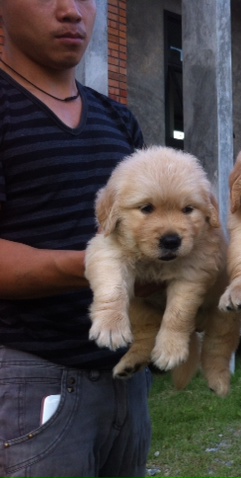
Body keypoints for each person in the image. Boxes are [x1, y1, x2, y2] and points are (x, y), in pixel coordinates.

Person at [0, 1, 151, 477]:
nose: (72, 12)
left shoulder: (117, 119)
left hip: (125, 378)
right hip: (32, 378)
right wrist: (100, 265)